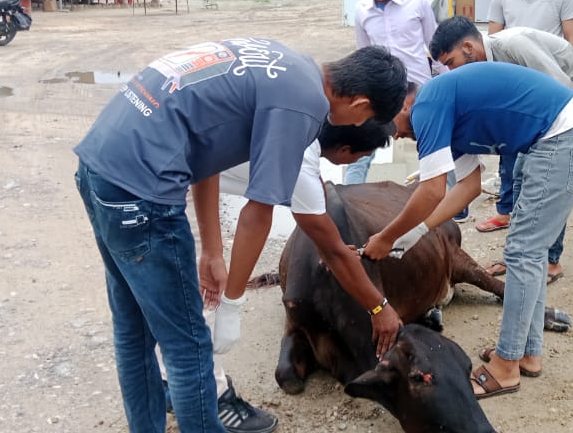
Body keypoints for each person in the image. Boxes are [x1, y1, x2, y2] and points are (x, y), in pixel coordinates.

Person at [74, 39, 407, 432]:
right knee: (190, 349)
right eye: (359, 122)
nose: (351, 127)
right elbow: (257, 214)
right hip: (143, 194)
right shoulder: (305, 105)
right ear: (360, 105)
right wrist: (232, 303)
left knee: (134, 330)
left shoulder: (291, 62)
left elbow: (205, 152)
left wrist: (212, 251)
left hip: (101, 166)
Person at [361, 61, 573, 399]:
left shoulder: (428, 103)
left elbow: (431, 190)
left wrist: (386, 237)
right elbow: (468, 187)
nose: (397, 136)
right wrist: (418, 232)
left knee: (523, 251)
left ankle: (506, 366)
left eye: (392, 127)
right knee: (527, 252)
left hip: (565, 134)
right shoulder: (446, 112)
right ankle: (527, 354)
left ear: (404, 104)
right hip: (563, 135)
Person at [160, 120, 401, 433]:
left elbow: (208, 165)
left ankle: (163, 387)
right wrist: (380, 307)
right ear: (344, 149)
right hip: (156, 194)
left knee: (144, 314)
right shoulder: (298, 163)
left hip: (150, 169)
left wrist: (212, 249)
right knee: (193, 304)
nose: (358, 162)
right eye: (362, 155)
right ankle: (212, 398)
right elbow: (257, 217)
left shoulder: (300, 136)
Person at [429, 16, 573, 284]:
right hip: (545, 115)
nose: (451, 72)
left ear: (469, 48)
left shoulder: (513, 45)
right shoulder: (484, 65)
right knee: (520, 178)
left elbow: (560, 86)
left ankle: (549, 261)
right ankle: (520, 257)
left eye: (451, 62)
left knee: (547, 182)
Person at [482, 0, 573, 235]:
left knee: (544, 158)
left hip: (550, 89)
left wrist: (569, 88)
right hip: (513, 88)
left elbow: (571, 43)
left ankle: (538, 220)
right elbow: (494, 41)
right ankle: (506, 210)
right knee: (509, 151)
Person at [345, 0, 447, 187]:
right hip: (382, 93)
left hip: (420, 90)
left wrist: (444, 84)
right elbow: (364, 54)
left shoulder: (417, 1)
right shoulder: (361, 10)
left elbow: (436, 44)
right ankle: (349, 196)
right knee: (362, 143)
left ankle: (451, 204)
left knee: (435, 147)